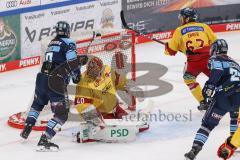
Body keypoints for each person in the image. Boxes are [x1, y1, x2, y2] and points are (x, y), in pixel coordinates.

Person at [20, 21, 83, 151]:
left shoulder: (51, 43)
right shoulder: (69, 42)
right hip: (55, 81)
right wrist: (77, 74)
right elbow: (72, 60)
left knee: (37, 104)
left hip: (42, 78)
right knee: (61, 115)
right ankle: (45, 139)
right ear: (67, 31)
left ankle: (27, 128)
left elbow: (58, 60)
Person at [184, 39, 240, 160]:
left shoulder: (215, 59)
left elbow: (217, 72)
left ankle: (195, 149)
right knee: (235, 118)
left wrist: (208, 91)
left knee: (207, 125)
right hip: (238, 97)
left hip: (224, 96)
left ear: (215, 49)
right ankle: (233, 146)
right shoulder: (235, 63)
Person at [74, 56, 145, 134]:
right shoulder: (83, 83)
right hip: (101, 114)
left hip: (116, 108)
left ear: (101, 68)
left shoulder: (108, 71)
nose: (94, 73)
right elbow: (82, 105)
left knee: (128, 124)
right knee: (121, 127)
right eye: (91, 70)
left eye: (96, 70)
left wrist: (133, 88)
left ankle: (133, 124)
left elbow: (121, 81)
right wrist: (94, 120)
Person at [164, 7, 217, 110]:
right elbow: (215, 43)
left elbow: (171, 51)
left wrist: (167, 47)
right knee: (219, 78)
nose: (181, 20)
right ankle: (229, 97)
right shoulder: (204, 26)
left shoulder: (179, 30)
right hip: (209, 59)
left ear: (186, 18)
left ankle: (203, 102)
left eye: (182, 17)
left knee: (188, 79)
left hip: (193, 63)